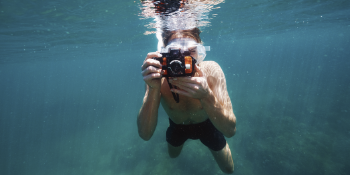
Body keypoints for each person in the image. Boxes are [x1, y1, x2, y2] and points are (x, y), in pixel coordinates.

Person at [137, 27, 236, 174]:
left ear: (201, 52)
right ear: (164, 54)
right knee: (173, 155)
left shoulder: (211, 71)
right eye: (175, 53)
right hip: (177, 127)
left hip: (209, 125)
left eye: (191, 52)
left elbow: (230, 130)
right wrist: (153, 89)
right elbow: (145, 134)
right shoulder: (158, 76)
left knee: (229, 169)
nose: (183, 60)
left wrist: (206, 95)